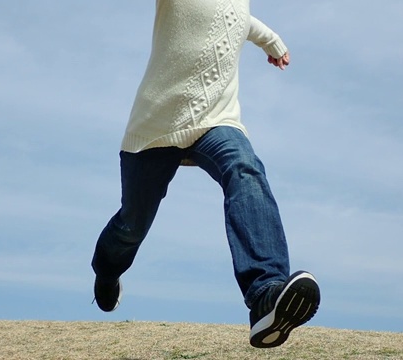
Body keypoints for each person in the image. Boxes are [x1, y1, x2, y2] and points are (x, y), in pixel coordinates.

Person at [92, 0, 321, 348]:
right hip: (155, 128)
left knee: (245, 169)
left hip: (216, 122)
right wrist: (271, 42)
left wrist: (273, 42)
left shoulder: (239, 5)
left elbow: (244, 22)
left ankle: (265, 295)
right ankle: (108, 270)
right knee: (132, 224)